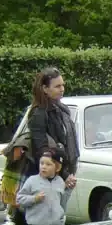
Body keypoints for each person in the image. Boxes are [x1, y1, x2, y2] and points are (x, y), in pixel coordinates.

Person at [26, 67, 78, 196]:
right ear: (45, 89)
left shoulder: (62, 109)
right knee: (52, 215)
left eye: (63, 85)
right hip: (48, 180)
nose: (62, 89)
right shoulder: (39, 114)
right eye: (57, 86)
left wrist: (69, 173)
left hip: (65, 174)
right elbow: (42, 150)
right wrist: (64, 175)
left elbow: (68, 143)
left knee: (60, 215)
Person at [15, 150, 70, 225]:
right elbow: (19, 199)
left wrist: (69, 189)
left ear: (57, 168)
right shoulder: (32, 180)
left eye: (48, 164)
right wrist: (34, 198)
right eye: (42, 163)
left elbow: (62, 203)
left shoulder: (60, 182)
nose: (44, 167)